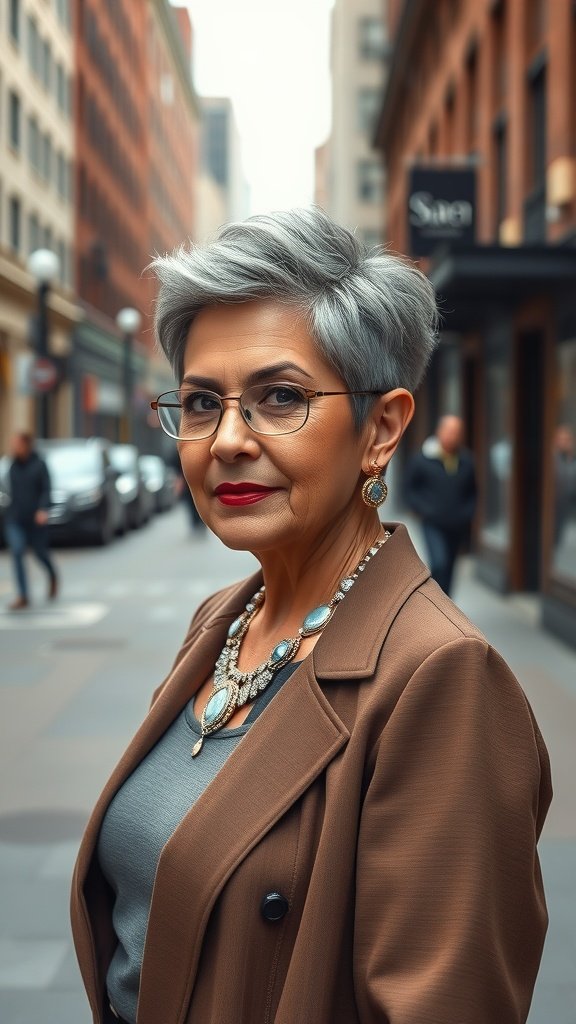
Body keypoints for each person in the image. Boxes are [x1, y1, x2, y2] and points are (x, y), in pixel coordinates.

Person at [71, 209, 551, 1024]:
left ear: (382, 429)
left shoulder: (440, 680)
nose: (226, 439)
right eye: (199, 402)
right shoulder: (221, 621)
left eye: (279, 397)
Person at [404, 414, 477, 595]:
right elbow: (409, 489)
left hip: (456, 524)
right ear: (440, 431)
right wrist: (423, 509)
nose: (453, 436)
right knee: (439, 562)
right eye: (450, 431)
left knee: (451, 567)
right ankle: (434, 601)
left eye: (457, 432)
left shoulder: (466, 460)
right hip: (433, 522)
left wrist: (467, 513)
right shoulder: (422, 459)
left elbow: (473, 491)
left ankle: (445, 604)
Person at [4, 431, 58, 610]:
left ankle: (52, 574)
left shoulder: (39, 465)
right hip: (16, 519)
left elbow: (46, 489)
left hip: (36, 520)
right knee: (17, 551)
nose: (14, 447)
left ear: (26, 445)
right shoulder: (12, 466)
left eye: (17, 444)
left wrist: (43, 509)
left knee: (40, 554)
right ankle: (23, 595)